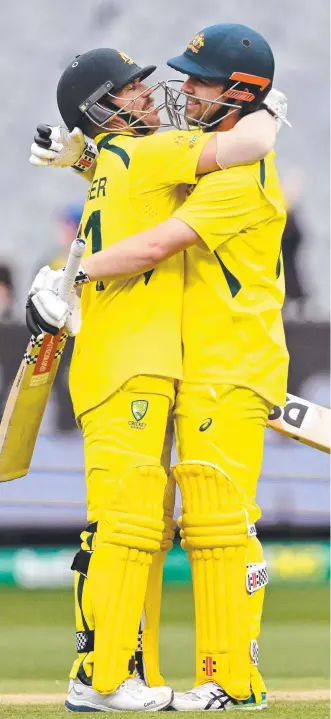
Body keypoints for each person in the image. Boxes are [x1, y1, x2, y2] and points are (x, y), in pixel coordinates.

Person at [28, 26, 288, 712]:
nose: (175, 91)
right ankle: (114, 674)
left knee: (211, 521)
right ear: (109, 109)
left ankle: (227, 680)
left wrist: (70, 270)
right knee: (143, 522)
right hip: (171, 364)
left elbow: (159, 234)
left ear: (236, 90)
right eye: (144, 85)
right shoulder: (160, 156)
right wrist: (84, 158)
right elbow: (141, 175)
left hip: (225, 364)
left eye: (196, 81)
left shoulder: (234, 175)